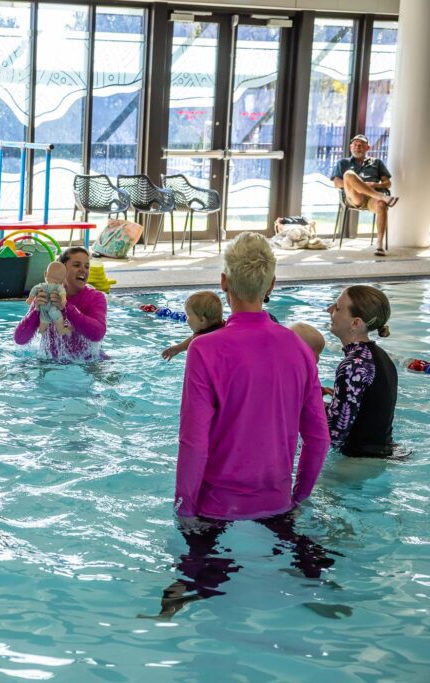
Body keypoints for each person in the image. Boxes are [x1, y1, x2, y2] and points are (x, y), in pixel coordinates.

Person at [162, 233, 332, 617]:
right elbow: (318, 439)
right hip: (275, 501)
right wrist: (297, 498)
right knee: (311, 578)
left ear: (224, 283)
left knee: (197, 591)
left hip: (215, 505)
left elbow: (194, 442)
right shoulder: (298, 348)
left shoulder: (205, 349)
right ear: (271, 285)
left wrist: (185, 509)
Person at [326, 285, 397, 457]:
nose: (329, 310)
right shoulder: (379, 356)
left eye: (338, 308)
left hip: (357, 462)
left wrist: (300, 403)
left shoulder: (353, 365)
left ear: (356, 323)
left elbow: (334, 435)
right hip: (379, 455)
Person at [14, 246, 107, 360]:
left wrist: (65, 306)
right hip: (51, 363)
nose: (83, 270)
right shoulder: (44, 295)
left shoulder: (95, 297)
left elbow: (97, 334)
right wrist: (35, 312)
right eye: (77, 265)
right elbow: (20, 339)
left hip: (88, 363)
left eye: (87, 267)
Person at [331, 134, 398, 257]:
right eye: (355, 145)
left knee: (382, 205)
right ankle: (381, 196)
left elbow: (387, 183)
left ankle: (379, 245)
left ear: (367, 148)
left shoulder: (377, 162)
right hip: (354, 196)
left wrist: (374, 185)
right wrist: (356, 185)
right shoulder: (343, 163)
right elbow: (336, 183)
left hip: (372, 198)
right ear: (351, 147)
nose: (358, 147)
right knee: (349, 175)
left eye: (361, 145)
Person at [161, 291, 224, 360]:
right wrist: (177, 348)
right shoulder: (227, 327)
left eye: (188, 316)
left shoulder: (200, 342)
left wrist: (177, 348)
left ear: (202, 320)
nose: (187, 320)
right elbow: (193, 338)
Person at [25, 261, 70, 336]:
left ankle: (41, 332)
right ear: (63, 279)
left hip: (43, 308)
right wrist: (63, 300)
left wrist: (30, 299)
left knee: (43, 321)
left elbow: (34, 289)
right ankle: (61, 330)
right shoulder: (58, 286)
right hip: (53, 308)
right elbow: (62, 293)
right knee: (58, 318)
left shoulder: (41, 286)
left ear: (45, 274)